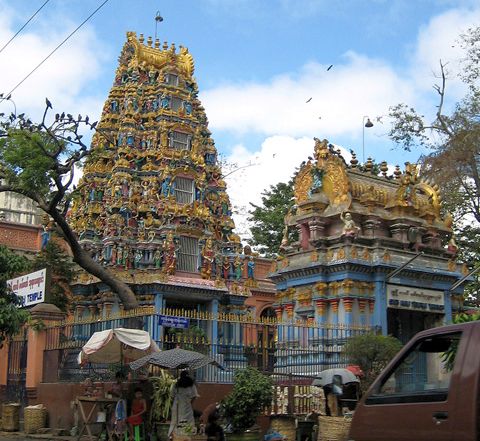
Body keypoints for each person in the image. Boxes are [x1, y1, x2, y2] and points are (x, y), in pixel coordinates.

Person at [168, 371, 199, 438]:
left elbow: (172, 396)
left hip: (177, 405)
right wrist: (190, 403)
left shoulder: (176, 385)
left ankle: (177, 436)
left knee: (177, 421)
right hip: (187, 405)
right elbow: (194, 396)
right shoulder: (191, 385)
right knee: (188, 422)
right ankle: (187, 436)